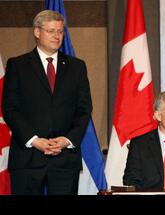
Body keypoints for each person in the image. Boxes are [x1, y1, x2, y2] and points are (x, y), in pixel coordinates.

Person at [2, 10, 93, 195]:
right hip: (28, 157)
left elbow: (84, 109)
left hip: (65, 158)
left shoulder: (77, 67)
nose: (57, 36)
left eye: (60, 31)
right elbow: (10, 108)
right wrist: (34, 140)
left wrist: (67, 140)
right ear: (37, 32)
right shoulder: (17, 65)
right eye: (51, 31)